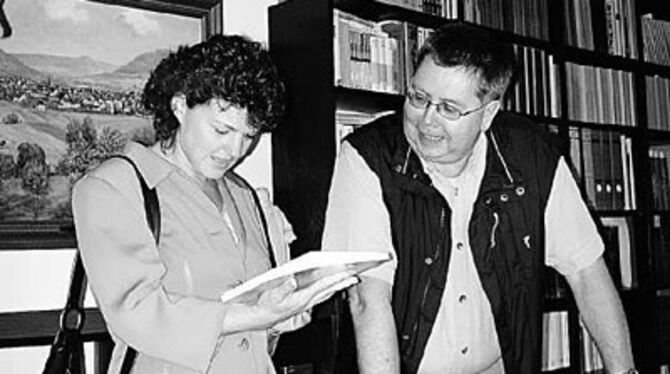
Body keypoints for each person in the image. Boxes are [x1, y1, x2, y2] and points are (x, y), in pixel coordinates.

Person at [321, 22, 636, 374]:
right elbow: (368, 299)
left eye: (449, 109)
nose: (427, 120)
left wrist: (624, 371)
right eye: (418, 97)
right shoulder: (367, 158)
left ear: (487, 114)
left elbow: (586, 271)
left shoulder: (533, 157)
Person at [73, 34, 358, 374]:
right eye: (222, 131)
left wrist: (290, 305)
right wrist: (257, 315)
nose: (235, 151)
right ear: (180, 107)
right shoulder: (112, 187)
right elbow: (136, 312)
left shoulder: (246, 195)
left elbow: (262, 312)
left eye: (249, 136)